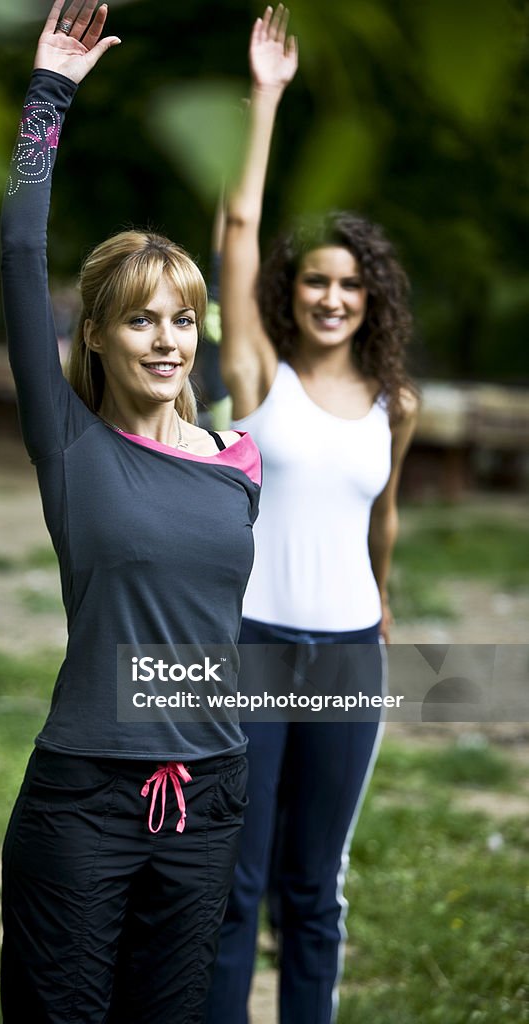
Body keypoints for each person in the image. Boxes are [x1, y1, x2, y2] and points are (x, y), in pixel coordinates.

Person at [0, 2, 262, 1022]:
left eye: (181, 319)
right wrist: (47, 96)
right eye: (139, 318)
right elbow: (22, 251)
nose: (166, 339)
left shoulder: (235, 460)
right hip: (85, 799)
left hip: (209, 794)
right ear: (97, 337)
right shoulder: (68, 446)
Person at [205, 6, 419, 1024]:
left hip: (346, 656)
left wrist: (381, 605)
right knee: (230, 886)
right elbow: (236, 231)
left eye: (348, 283)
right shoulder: (258, 374)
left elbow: (381, 521)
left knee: (311, 890)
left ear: (367, 297)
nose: (331, 297)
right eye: (314, 280)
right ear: (289, 292)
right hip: (248, 644)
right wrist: (264, 99)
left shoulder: (396, 407)